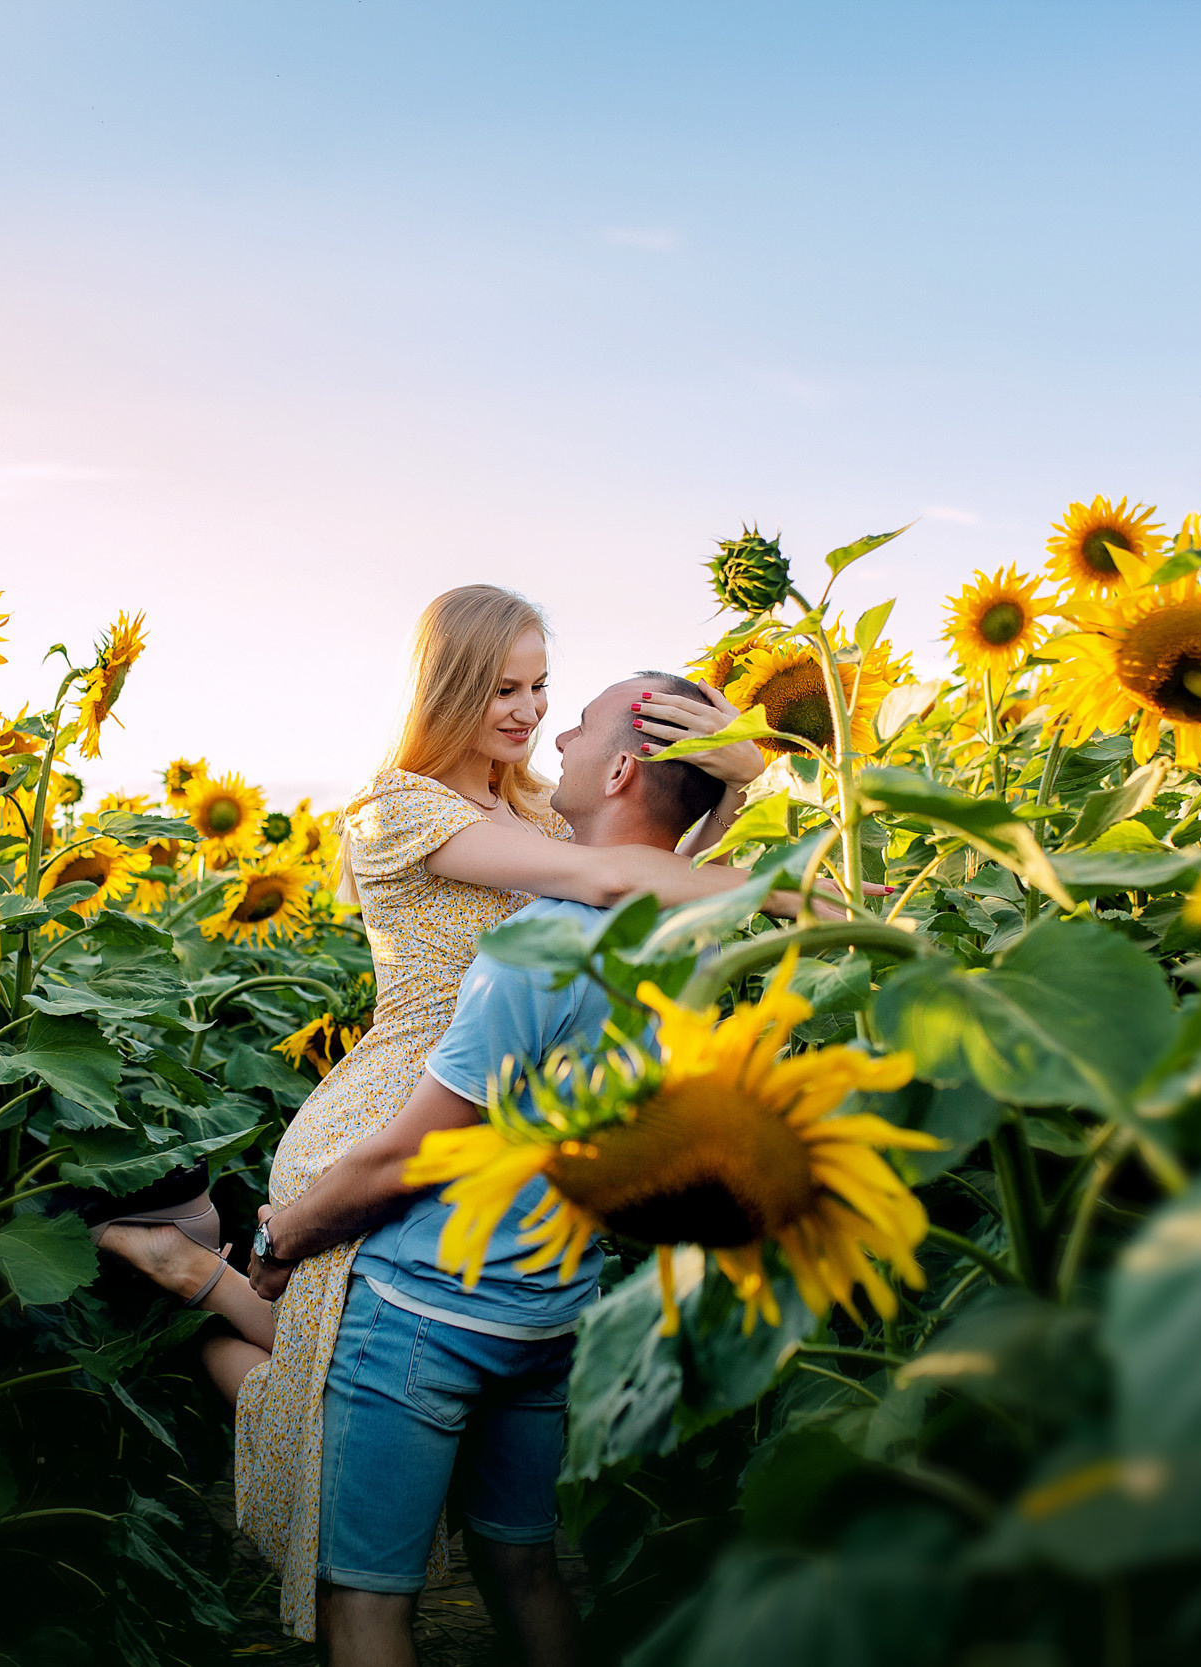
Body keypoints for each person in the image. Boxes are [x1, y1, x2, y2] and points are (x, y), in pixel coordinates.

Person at [95, 585, 768, 1642]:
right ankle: (207, 1270)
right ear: (448, 685)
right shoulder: (401, 808)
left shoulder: (538, 803)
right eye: (502, 687)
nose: (529, 710)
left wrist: (727, 789)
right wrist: (789, 892)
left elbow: (650, 855)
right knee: (341, 1379)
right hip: (390, 1121)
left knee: (346, 1382)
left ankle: (206, 1271)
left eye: (543, 685)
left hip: (485, 1126)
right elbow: (611, 872)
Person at [240, 669, 721, 1666]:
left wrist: (283, 1233)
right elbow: (662, 855)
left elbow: (420, 1150)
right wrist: (743, 785)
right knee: (529, 1564)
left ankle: (185, 1271)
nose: (553, 731)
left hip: (425, 1298)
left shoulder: (537, 946)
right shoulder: (686, 938)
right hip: (551, 1299)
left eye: (573, 715)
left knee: (365, 1600)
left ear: (624, 767)